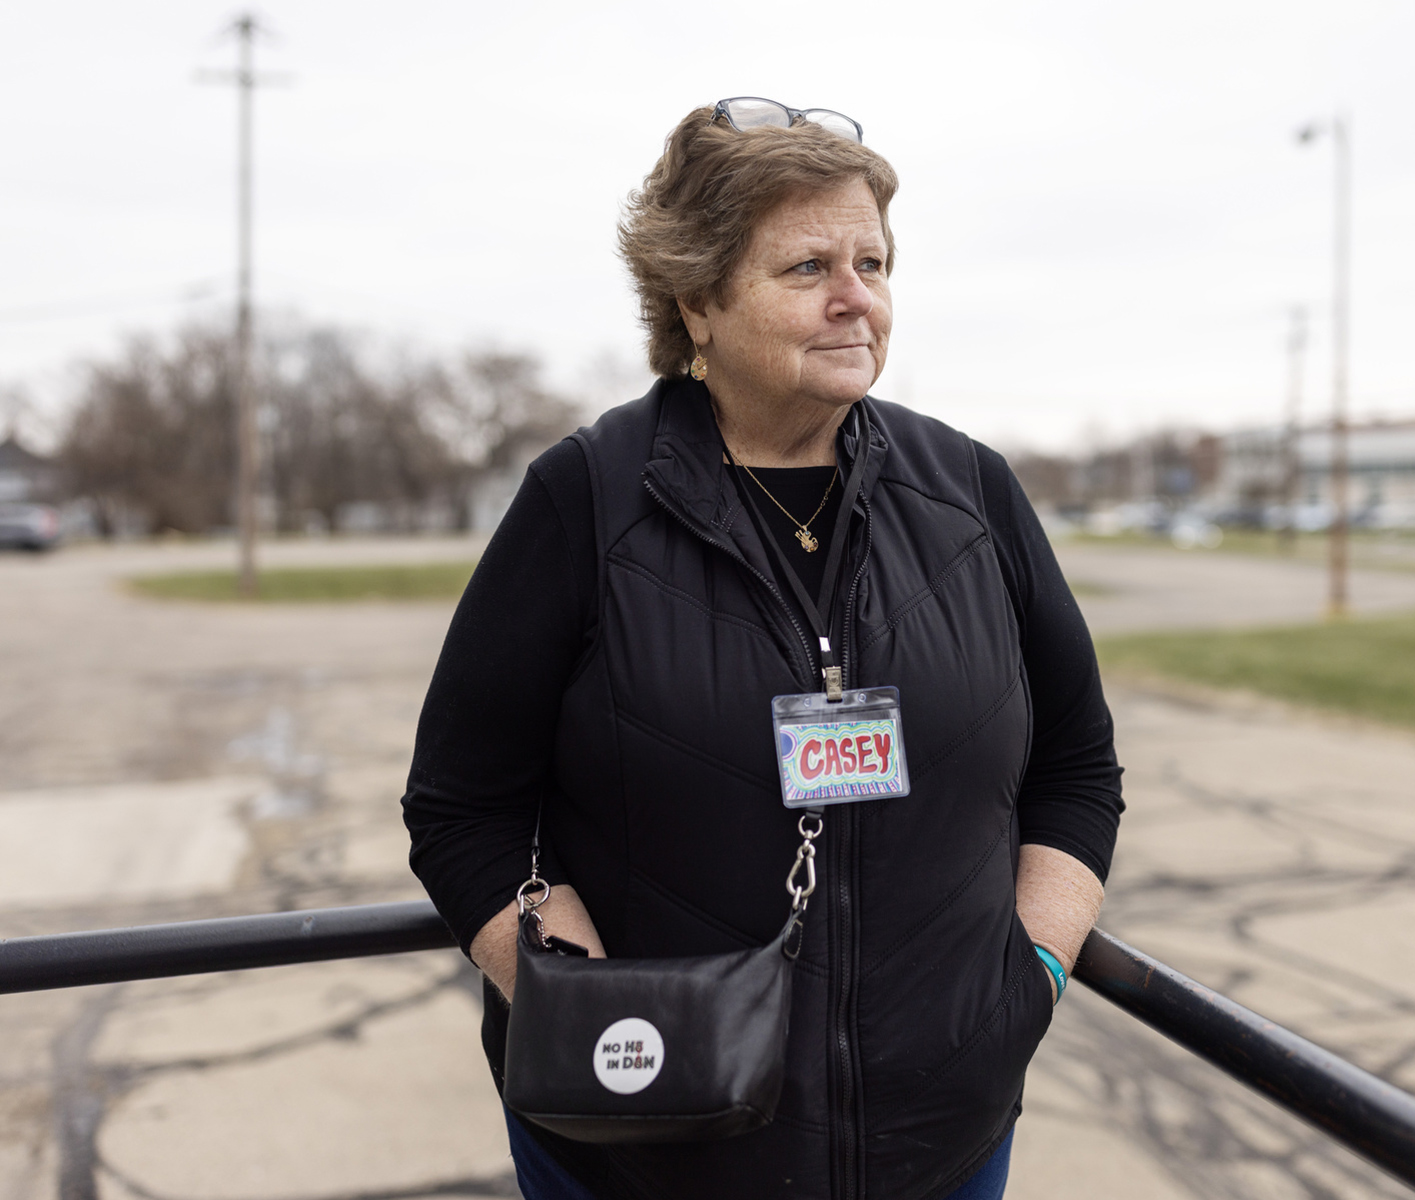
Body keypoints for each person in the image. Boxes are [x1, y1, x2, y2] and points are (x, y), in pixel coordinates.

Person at [403, 97, 1124, 1200]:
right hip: (646, 1149)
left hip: (943, 1144)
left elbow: (1077, 766)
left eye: (872, 263)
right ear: (696, 299)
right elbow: (463, 810)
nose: (856, 299)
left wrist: (1025, 977)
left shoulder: (973, 493)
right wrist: (599, 1017)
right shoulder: (586, 500)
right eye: (806, 269)